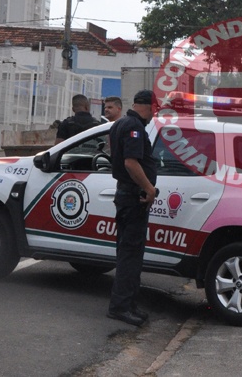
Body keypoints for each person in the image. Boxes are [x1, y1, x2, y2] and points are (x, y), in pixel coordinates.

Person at [106, 89, 158, 326]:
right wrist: (149, 188)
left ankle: (128, 303)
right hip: (132, 198)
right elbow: (130, 162)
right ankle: (120, 307)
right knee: (130, 255)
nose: (155, 113)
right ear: (147, 106)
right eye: (154, 108)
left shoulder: (120, 123)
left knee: (128, 253)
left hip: (125, 196)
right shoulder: (134, 127)